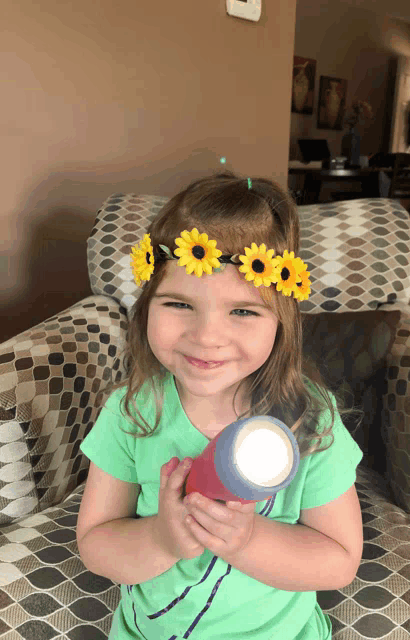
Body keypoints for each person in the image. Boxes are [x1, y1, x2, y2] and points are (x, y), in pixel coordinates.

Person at [77, 170, 364, 640]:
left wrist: (248, 540)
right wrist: (161, 539)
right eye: (178, 304)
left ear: (281, 322)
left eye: (244, 311)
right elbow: (95, 543)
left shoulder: (310, 419)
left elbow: (338, 560)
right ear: (147, 305)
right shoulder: (131, 413)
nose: (207, 337)